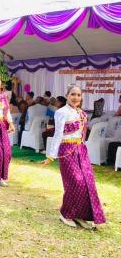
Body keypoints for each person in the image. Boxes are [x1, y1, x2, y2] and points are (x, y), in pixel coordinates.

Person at [43, 84, 106, 229]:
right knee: (75, 183)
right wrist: (51, 156)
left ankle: (80, 215)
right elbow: (58, 134)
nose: (76, 97)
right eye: (73, 94)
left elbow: (82, 135)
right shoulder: (61, 112)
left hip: (81, 150)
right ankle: (66, 214)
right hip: (67, 151)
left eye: (78, 95)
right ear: (67, 96)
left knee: (87, 183)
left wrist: (83, 149)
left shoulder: (81, 113)